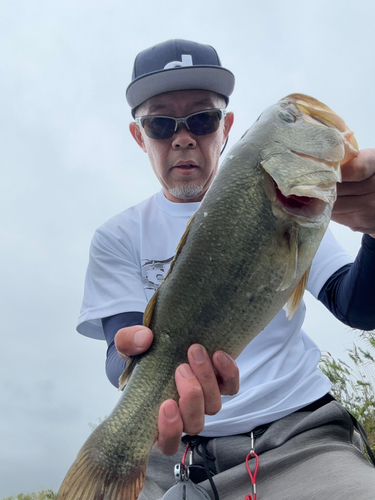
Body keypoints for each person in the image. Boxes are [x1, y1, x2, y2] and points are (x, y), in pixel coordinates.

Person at [77, 39, 375, 499]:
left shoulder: (295, 206)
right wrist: (137, 361)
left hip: (300, 442)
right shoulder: (118, 235)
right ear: (139, 136)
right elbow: (120, 353)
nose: (182, 137)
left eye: (202, 118)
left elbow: (358, 308)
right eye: (160, 123)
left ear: (226, 127)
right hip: (172, 457)